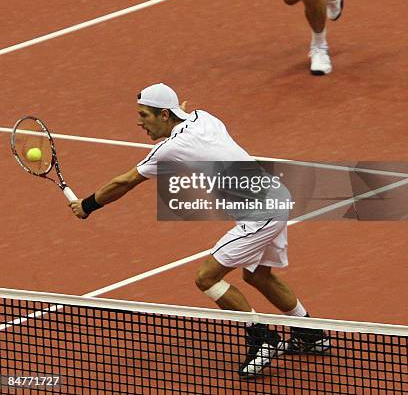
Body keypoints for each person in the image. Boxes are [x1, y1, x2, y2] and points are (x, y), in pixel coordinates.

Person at [70, 82, 328, 377]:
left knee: (206, 278)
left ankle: (261, 338)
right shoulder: (205, 117)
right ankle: (311, 334)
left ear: (165, 115)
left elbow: (124, 182)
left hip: (262, 214)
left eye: (144, 115)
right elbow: (191, 122)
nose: (139, 122)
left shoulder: (169, 148)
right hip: (275, 196)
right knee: (257, 274)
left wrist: (87, 205)